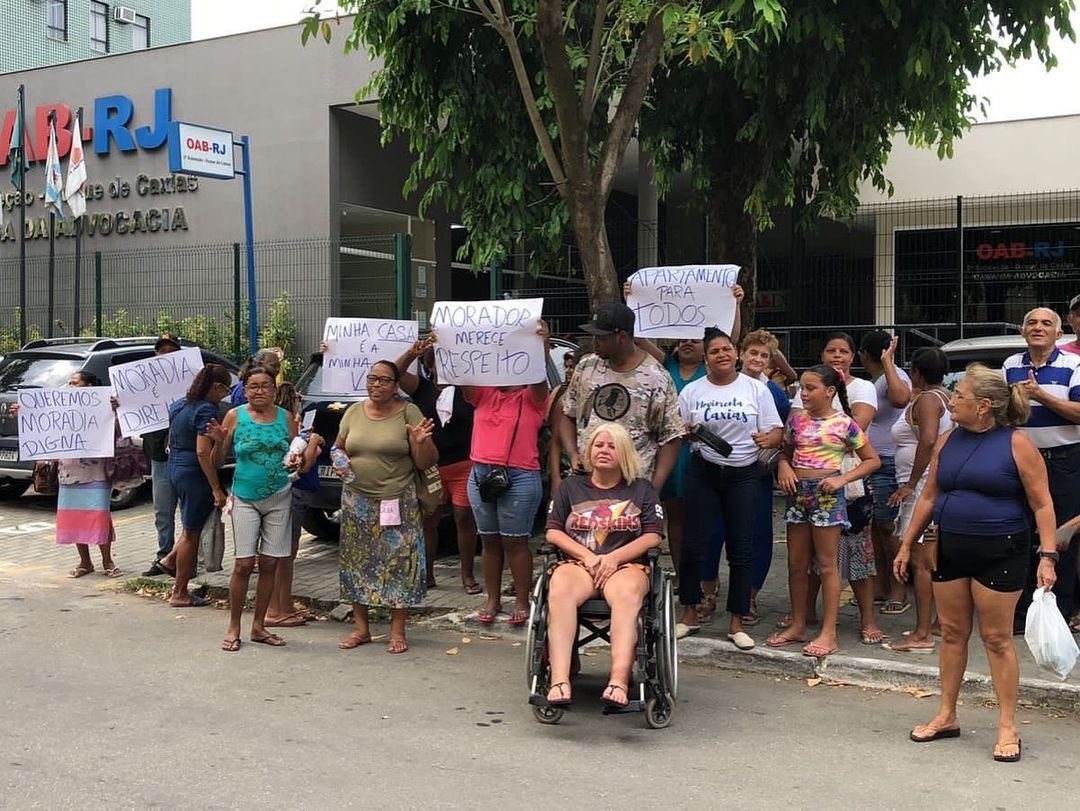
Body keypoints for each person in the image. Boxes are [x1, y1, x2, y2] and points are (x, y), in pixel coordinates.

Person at [894, 364, 1057, 763]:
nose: (952, 402)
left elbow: (1042, 503)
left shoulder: (1017, 443)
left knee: (997, 639)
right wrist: (906, 544)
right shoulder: (948, 439)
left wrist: (1048, 557)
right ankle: (947, 714)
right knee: (951, 633)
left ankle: (1007, 726)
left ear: (984, 406)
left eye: (960, 396)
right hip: (950, 547)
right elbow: (930, 496)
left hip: (1001, 549)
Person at [542, 422, 664, 708]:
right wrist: (587, 556)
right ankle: (560, 680)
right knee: (559, 588)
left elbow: (652, 535)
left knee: (625, 595)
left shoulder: (642, 490)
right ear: (589, 451)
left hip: (627, 565)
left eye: (612, 446)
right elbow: (553, 531)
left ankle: (619, 681)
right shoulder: (571, 487)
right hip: (580, 563)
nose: (604, 451)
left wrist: (613, 558)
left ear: (624, 453)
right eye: (599, 445)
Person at [676, 328, 783, 648]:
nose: (721, 355)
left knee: (741, 547)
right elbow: (679, 432)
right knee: (693, 544)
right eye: (714, 351)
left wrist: (769, 439)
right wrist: (688, 433)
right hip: (704, 470)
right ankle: (689, 614)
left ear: (736, 353)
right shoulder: (692, 391)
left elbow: (777, 430)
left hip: (745, 474)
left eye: (727, 349)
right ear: (705, 358)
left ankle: (737, 622)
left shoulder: (756, 389)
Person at [768, 364, 881, 657]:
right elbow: (786, 452)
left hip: (827, 496)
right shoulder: (797, 423)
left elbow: (872, 460)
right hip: (797, 496)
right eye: (801, 388)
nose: (803, 394)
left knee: (827, 564)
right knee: (796, 563)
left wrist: (842, 479)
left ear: (830, 391)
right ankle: (798, 623)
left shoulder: (845, 424)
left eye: (810, 388)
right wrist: (783, 465)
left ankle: (829, 632)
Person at [333, 360, 437, 654]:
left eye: (383, 380)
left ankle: (397, 631)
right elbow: (338, 445)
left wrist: (420, 443)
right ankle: (361, 629)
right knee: (357, 562)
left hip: (397, 498)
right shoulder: (354, 412)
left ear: (395, 385)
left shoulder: (408, 412)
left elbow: (426, 462)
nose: (376, 385)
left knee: (398, 563)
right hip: (357, 500)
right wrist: (340, 459)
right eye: (372, 379)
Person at [461, 322, 552, 626]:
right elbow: (463, 376)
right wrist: (447, 343)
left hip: (520, 476)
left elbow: (540, 380)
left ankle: (523, 601)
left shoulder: (532, 398)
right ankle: (493, 598)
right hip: (481, 475)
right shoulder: (484, 394)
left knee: (515, 541)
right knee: (488, 540)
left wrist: (540, 344)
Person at [1002, 307, 1080, 631]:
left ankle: (1057, 615)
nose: (1038, 327)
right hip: (1020, 462)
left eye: (1046, 323)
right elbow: (1003, 412)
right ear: (1022, 332)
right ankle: (1021, 615)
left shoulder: (1074, 364)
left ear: (1059, 334)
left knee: (1061, 538)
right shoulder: (1010, 365)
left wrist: (1040, 396)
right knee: (1019, 534)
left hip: (1064, 461)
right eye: (1031, 322)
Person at [210, 367, 297, 651]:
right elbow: (217, 462)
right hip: (245, 497)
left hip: (279, 497)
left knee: (271, 563)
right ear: (244, 390)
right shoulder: (235, 415)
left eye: (265, 386)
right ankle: (234, 626)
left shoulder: (286, 418)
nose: (259, 391)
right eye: (253, 386)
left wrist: (301, 459)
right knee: (244, 564)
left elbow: (295, 455)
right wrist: (221, 443)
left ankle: (259, 626)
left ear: (275, 389)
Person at [560, 302, 684, 497]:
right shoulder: (586, 367)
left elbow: (672, 437)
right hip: (586, 481)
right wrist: (573, 453)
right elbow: (568, 413)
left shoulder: (656, 377)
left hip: (632, 484)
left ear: (622, 337)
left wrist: (654, 488)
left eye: (602, 337)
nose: (595, 343)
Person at [395, 338, 480, 594]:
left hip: (464, 462)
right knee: (429, 519)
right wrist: (412, 352)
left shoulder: (467, 389)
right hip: (431, 465)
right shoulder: (421, 389)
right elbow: (395, 373)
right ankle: (428, 573)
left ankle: (467, 575)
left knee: (464, 517)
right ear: (429, 366)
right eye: (437, 362)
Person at [883, 348, 952, 655]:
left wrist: (911, 484)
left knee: (919, 561)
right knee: (934, 560)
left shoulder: (927, 400)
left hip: (923, 486)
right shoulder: (944, 396)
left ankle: (923, 632)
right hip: (931, 483)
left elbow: (927, 440)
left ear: (916, 372)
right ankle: (938, 622)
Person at [160, 364, 232, 608]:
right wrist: (215, 488)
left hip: (175, 466)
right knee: (192, 533)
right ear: (215, 387)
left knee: (189, 524)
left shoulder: (180, 404)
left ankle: (170, 560)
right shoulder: (205, 409)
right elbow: (203, 451)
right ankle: (179, 592)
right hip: (194, 472)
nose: (226, 395)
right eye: (225, 389)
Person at [859, 331, 913, 614]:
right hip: (876, 461)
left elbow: (901, 399)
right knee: (878, 527)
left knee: (888, 525)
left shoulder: (895, 376)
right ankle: (882, 584)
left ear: (862, 355)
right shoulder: (876, 381)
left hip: (890, 462)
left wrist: (888, 362)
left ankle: (899, 588)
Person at [52, 371, 121, 579]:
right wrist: (25, 412)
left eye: (75, 383)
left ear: (89, 386)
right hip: (69, 469)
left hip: (96, 470)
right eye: (69, 383)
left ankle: (107, 560)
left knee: (99, 515)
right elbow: (42, 422)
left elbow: (117, 432)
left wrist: (113, 411)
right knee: (74, 517)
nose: (70, 387)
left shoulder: (105, 407)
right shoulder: (60, 408)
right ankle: (85, 561)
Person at [266, 382, 324, 627]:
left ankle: (285, 605)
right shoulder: (293, 435)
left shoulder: (276, 429)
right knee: (284, 554)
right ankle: (276, 609)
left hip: (285, 493)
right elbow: (303, 466)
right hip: (291, 493)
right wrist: (313, 443)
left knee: (285, 554)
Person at [141, 333, 185, 577]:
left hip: (187, 454)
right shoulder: (145, 383)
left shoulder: (192, 381)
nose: (165, 356)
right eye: (161, 351)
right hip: (159, 454)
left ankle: (188, 559)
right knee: (163, 510)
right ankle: (164, 556)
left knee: (189, 509)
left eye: (171, 351)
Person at [547, 346, 587, 493]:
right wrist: (556, 478)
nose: (569, 370)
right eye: (567, 367)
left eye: (572, 366)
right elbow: (555, 441)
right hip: (570, 468)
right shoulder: (563, 396)